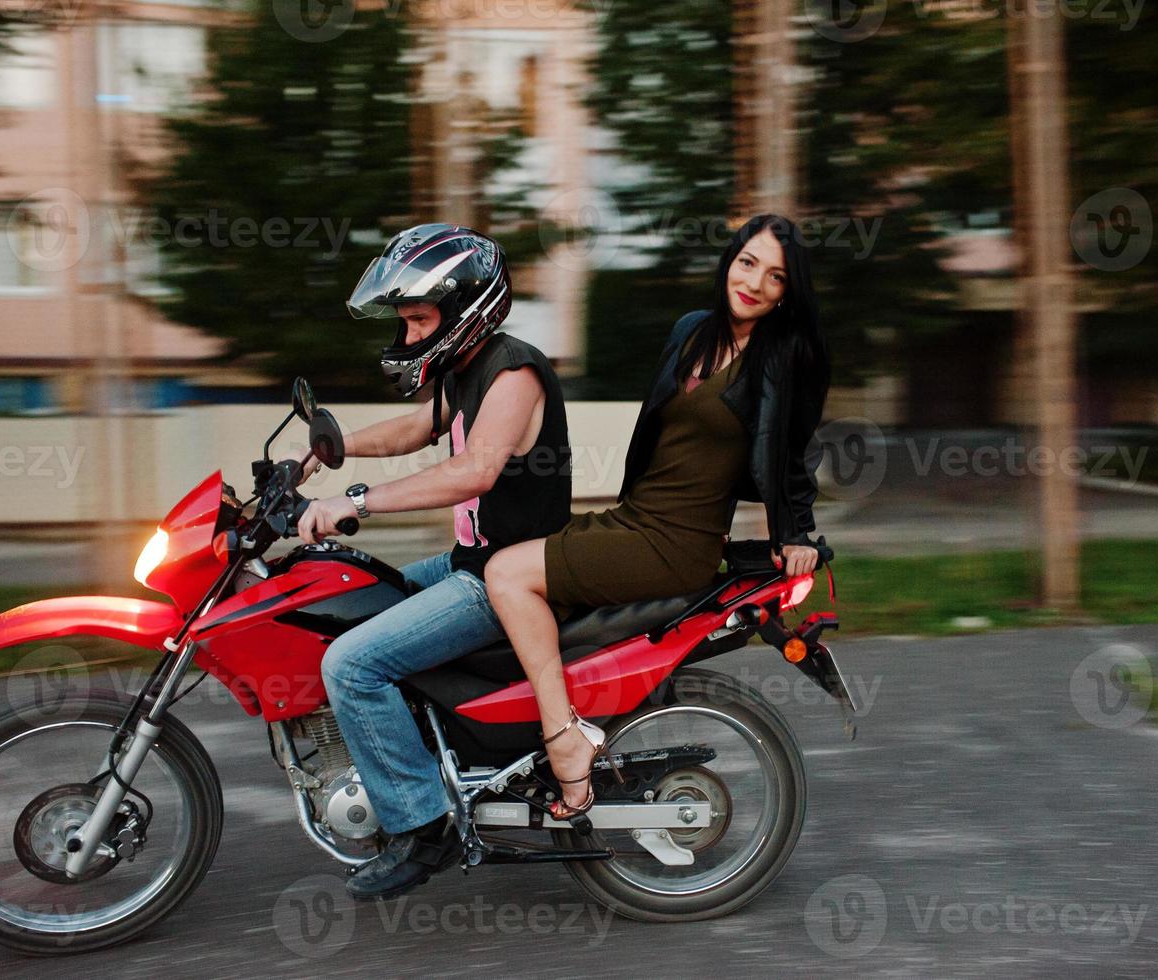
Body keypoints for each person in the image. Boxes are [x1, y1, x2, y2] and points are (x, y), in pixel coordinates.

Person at [483, 214, 830, 819]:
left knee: (508, 575)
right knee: (511, 578)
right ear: (729, 260)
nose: (754, 282)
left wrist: (794, 532)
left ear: (786, 292)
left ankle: (564, 741)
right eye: (747, 262)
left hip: (678, 541)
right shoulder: (691, 332)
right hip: (635, 518)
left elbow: (790, 451)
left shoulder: (783, 357)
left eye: (775, 277)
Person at [290, 223, 571, 900]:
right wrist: (330, 448)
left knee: (351, 663)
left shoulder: (515, 372)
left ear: (465, 308)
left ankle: (424, 826)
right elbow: (418, 429)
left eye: (419, 318)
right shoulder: (463, 372)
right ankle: (419, 753)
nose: (411, 334)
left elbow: (473, 471)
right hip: (469, 563)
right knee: (340, 596)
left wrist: (358, 499)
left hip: (505, 580)